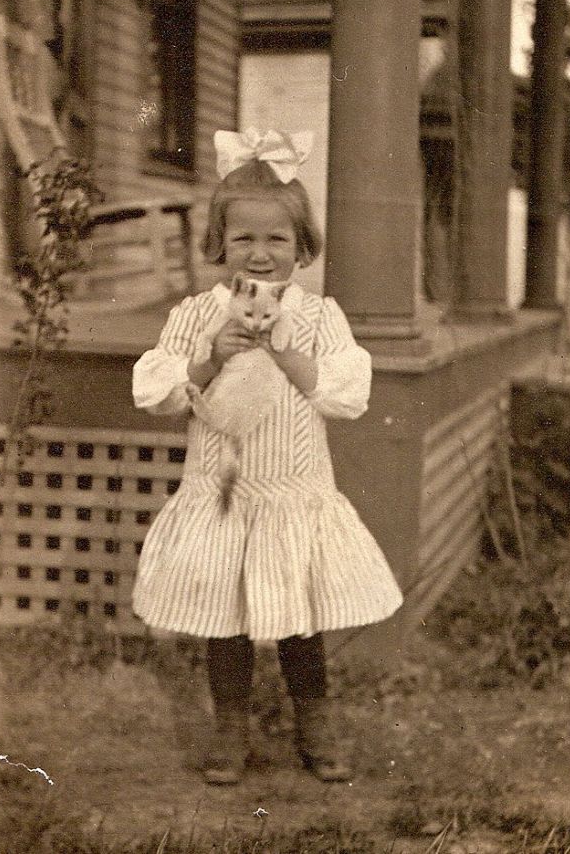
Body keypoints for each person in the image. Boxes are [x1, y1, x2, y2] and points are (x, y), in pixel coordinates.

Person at [132, 128, 403, 785]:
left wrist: (286, 351)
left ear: (302, 247)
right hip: (223, 494)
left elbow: (346, 394)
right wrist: (209, 357)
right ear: (219, 243)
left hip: (292, 497)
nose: (259, 254)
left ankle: (316, 725)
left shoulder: (319, 316)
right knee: (224, 620)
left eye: (277, 239)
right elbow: (156, 391)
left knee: (298, 621)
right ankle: (230, 728)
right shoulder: (198, 314)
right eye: (243, 239)